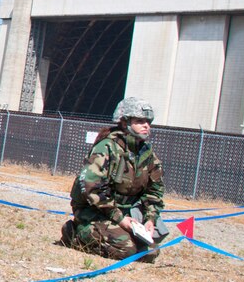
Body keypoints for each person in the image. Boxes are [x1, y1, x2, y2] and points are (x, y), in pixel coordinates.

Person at [61, 97, 166, 262]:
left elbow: (154, 191)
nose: (146, 125)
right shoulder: (107, 148)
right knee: (127, 250)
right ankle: (76, 233)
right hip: (96, 211)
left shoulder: (147, 155)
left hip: (125, 212)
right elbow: (91, 187)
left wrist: (150, 219)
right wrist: (120, 219)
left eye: (148, 122)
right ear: (125, 123)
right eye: (140, 121)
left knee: (150, 253)